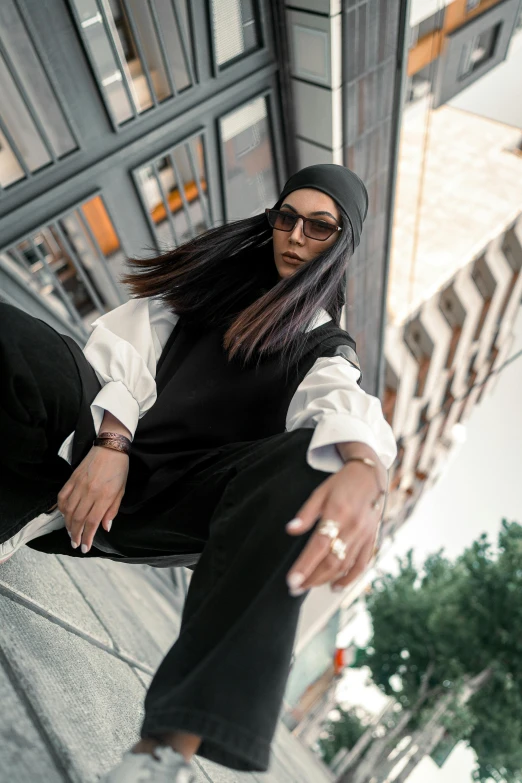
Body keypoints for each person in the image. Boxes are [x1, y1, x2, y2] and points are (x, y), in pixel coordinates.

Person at [0, 164, 397, 782]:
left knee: (314, 462)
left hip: (170, 507)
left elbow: (343, 405)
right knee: (16, 335)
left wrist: (365, 473)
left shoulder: (323, 348)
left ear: (341, 245)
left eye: (319, 228)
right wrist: (113, 442)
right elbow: (118, 353)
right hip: (97, 449)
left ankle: (164, 756)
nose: (294, 237)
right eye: (286, 218)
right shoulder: (208, 286)